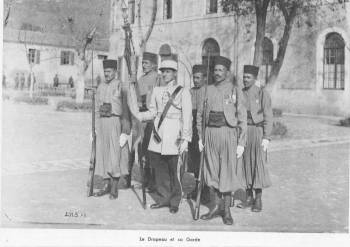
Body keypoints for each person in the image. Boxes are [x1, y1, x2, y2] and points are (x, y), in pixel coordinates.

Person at [130, 57, 192, 214]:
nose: (165, 74)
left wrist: (186, 138)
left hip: (174, 133)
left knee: (173, 169)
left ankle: (175, 200)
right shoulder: (156, 91)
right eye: (163, 71)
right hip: (158, 134)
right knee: (159, 168)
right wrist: (139, 115)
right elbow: (152, 112)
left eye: (168, 71)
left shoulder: (183, 91)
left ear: (174, 73)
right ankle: (164, 197)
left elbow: (187, 116)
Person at [196, 56, 247, 225]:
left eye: (221, 70)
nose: (217, 73)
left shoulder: (235, 90)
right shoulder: (206, 89)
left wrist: (241, 142)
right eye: (215, 70)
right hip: (210, 134)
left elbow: (242, 118)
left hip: (228, 134)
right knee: (211, 171)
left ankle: (226, 210)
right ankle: (216, 207)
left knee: (226, 171)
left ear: (227, 72)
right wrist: (201, 137)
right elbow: (200, 116)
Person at [93, 59, 132, 200]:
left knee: (115, 155)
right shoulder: (100, 87)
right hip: (103, 123)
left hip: (115, 121)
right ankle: (106, 185)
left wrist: (125, 131)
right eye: (105, 72)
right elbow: (97, 109)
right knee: (103, 154)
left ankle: (114, 187)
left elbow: (126, 110)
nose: (106, 74)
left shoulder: (121, 86)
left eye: (109, 72)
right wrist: (95, 129)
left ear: (115, 72)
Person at [237, 65, 273, 212]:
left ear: (254, 78)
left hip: (257, 132)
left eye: (248, 77)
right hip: (244, 132)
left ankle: (258, 199)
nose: (245, 79)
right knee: (245, 164)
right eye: (244, 77)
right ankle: (248, 197)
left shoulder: (262, 93)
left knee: (258, 164)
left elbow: (268, 115)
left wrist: (266, 137)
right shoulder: (240, 93)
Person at [135, 51, 162, 192]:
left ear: (154, 65)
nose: (143, 66)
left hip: (155, 119)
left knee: (154, 150)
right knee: (142, 150)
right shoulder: (140, 80)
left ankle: (155, 181)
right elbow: (137, 99)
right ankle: (145, 179)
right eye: (143, 63)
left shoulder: (158, 78)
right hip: (142, 118)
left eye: (146, 63)